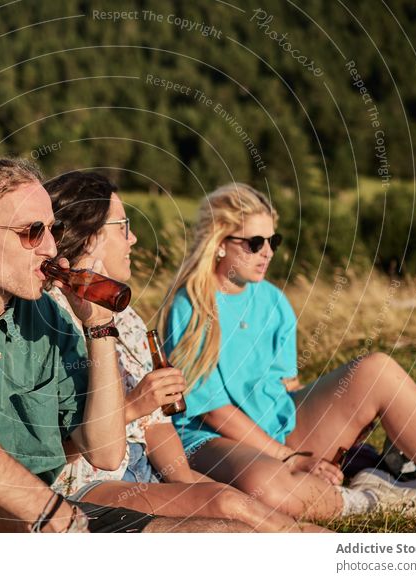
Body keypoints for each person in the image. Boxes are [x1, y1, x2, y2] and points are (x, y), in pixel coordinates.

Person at [0, 158, 252, 533]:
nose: (52, 249)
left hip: (44, 523)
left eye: (53, 230)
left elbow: (106, 454)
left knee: (232, 536)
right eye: (32, 232)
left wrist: (98, 331)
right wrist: (46, 510)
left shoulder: (46, 317)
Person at [160, 182, 416, 532]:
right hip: (210, 439)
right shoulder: (191, 304)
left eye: (273, 241)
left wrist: (330, 427)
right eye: (255, 243)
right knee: (266, 485)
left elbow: (286, 385)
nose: (268, 253)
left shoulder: (272, 301)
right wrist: (287, 458)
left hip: (280, 426)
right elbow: (214, 410)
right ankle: (376, 499)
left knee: (376, 370)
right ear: (218, 244)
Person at [43, 171, 329, 533]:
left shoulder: (125, 315)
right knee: (228, 504)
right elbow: (48, 445)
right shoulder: (48, 318)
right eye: (123, 227)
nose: (133, 238)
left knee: (229, 500)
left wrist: (186, 480)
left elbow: (157, 425)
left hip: (142, 466)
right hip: (85, 483)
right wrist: (137, 404)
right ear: (89, 237)